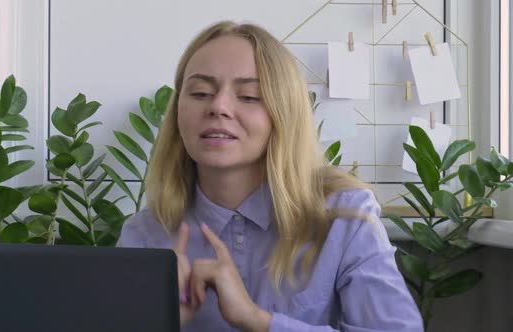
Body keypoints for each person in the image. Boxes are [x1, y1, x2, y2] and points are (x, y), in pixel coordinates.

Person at [118, 21, 424, 332]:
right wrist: (162, 322)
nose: (219, 107)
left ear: (283, 113)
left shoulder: (344, 218)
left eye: (249, 96)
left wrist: (258, 321)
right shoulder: (145, 235)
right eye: (200, 92)